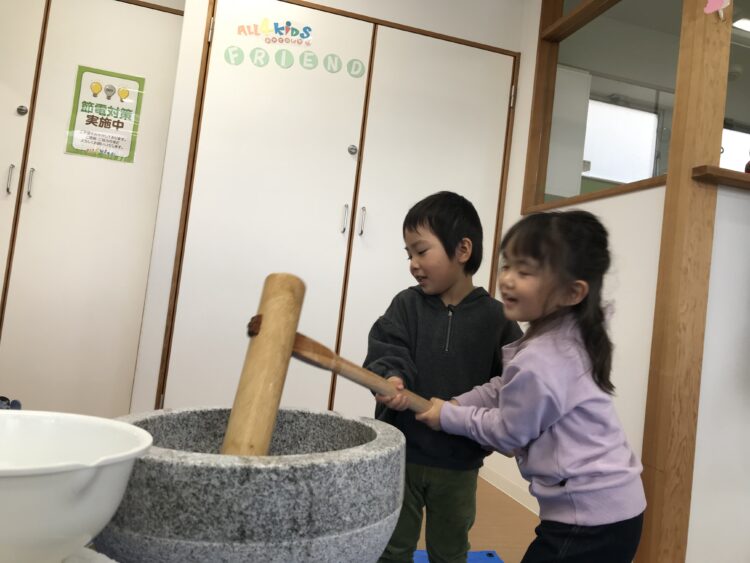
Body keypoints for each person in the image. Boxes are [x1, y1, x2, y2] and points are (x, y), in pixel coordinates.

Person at [415, 209, 646, 563]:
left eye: (524, 272)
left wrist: (449, 417)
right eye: (507, 265)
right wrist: (458, 403)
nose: (507, 279)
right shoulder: (567, 332)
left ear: (572, 292)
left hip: (588, 519)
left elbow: (509, 432)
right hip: (613, 508)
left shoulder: (544, 357)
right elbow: (504, 386)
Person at [365, 191, 522, 563]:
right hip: (401, 455)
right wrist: (393, 376)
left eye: (421, 251)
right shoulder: (406, 305)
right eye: (408, 254)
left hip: (458, 462)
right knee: (392, 548)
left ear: (463, 250)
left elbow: (513, 383)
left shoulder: (497, 319)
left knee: (449, 551)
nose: (413, 264)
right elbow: (388, 347)